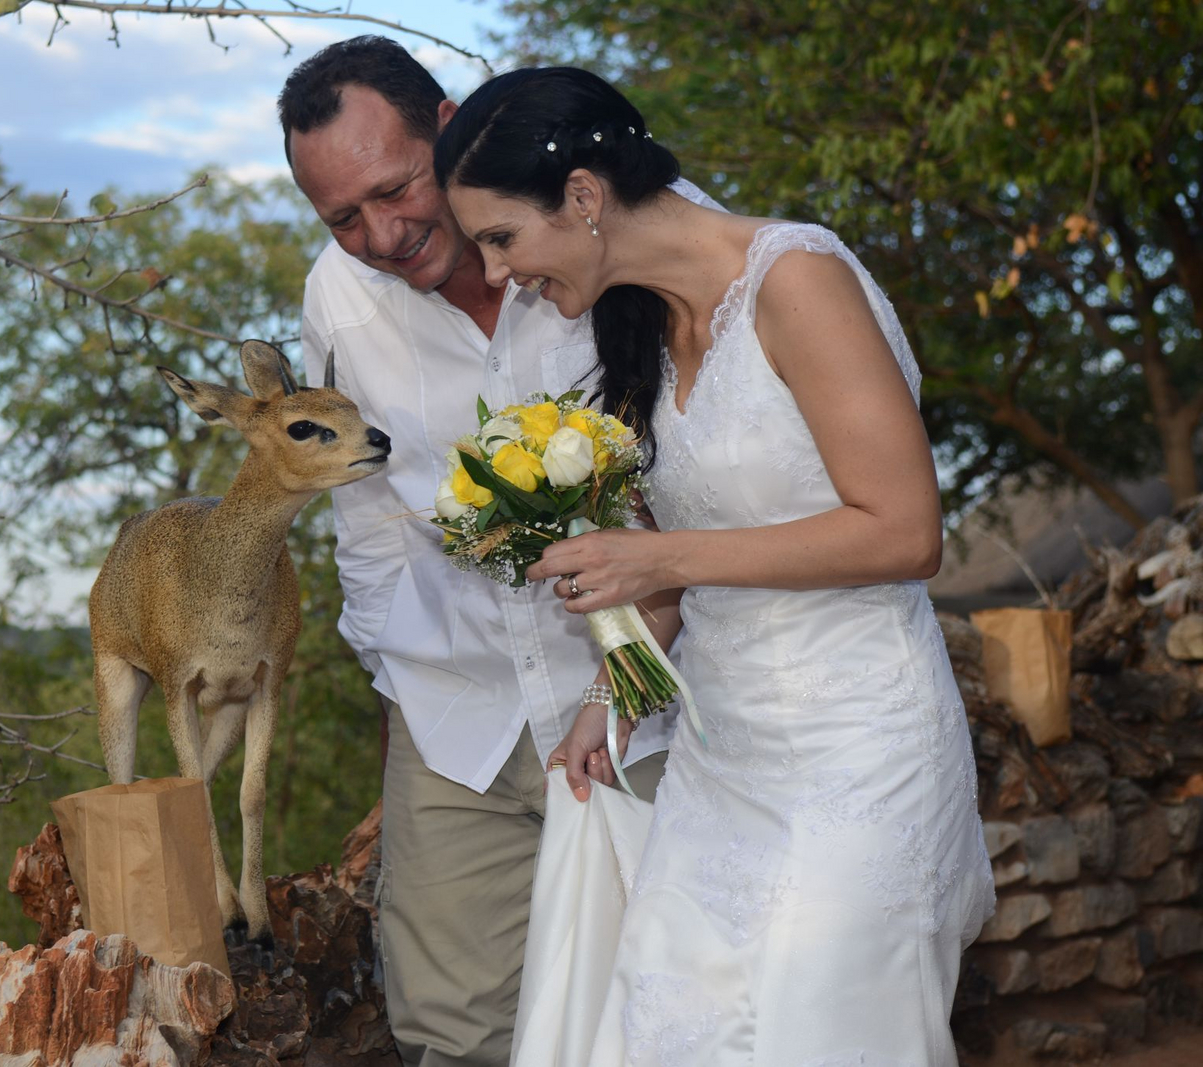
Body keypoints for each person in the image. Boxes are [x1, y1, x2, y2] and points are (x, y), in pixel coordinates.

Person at [434, 67, 996, 1065]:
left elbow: (904, 530)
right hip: (719, 756)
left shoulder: (796, 278)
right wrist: (614, 693)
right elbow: (685, 582)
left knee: (822, 1025)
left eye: (499, 237)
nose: (494, 271)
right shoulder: (638, 326)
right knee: (676, 1026)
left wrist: (653, 553)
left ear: (582, 197)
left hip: (860, 748)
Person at [276, 39, 679, 1066]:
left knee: (681, 991)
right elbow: (365, 519)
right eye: (341, 218)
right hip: (458, 711)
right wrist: (399, 685)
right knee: (450, 1025)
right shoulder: (340, 297)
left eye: (396, 186)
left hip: (655, 686)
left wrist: (639, 664)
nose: (380, 233)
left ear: (451, 124)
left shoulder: (614, 224)